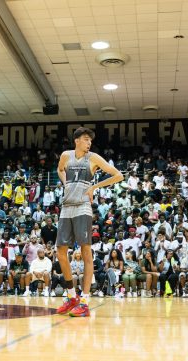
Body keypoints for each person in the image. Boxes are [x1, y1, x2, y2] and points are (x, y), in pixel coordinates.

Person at [55, 127, 123, 317]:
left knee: (85, 251)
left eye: (90, 141)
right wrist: (66, 183)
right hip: (66, 206)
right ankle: (71, 296)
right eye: (86, 139)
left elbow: (118, 175)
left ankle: (84, 300)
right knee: (60, 251)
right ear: (76, 140)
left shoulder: (93, 158)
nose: (89, 143)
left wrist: (94, 186)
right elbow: (60, 170)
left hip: (83, 207)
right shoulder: (66, 156)